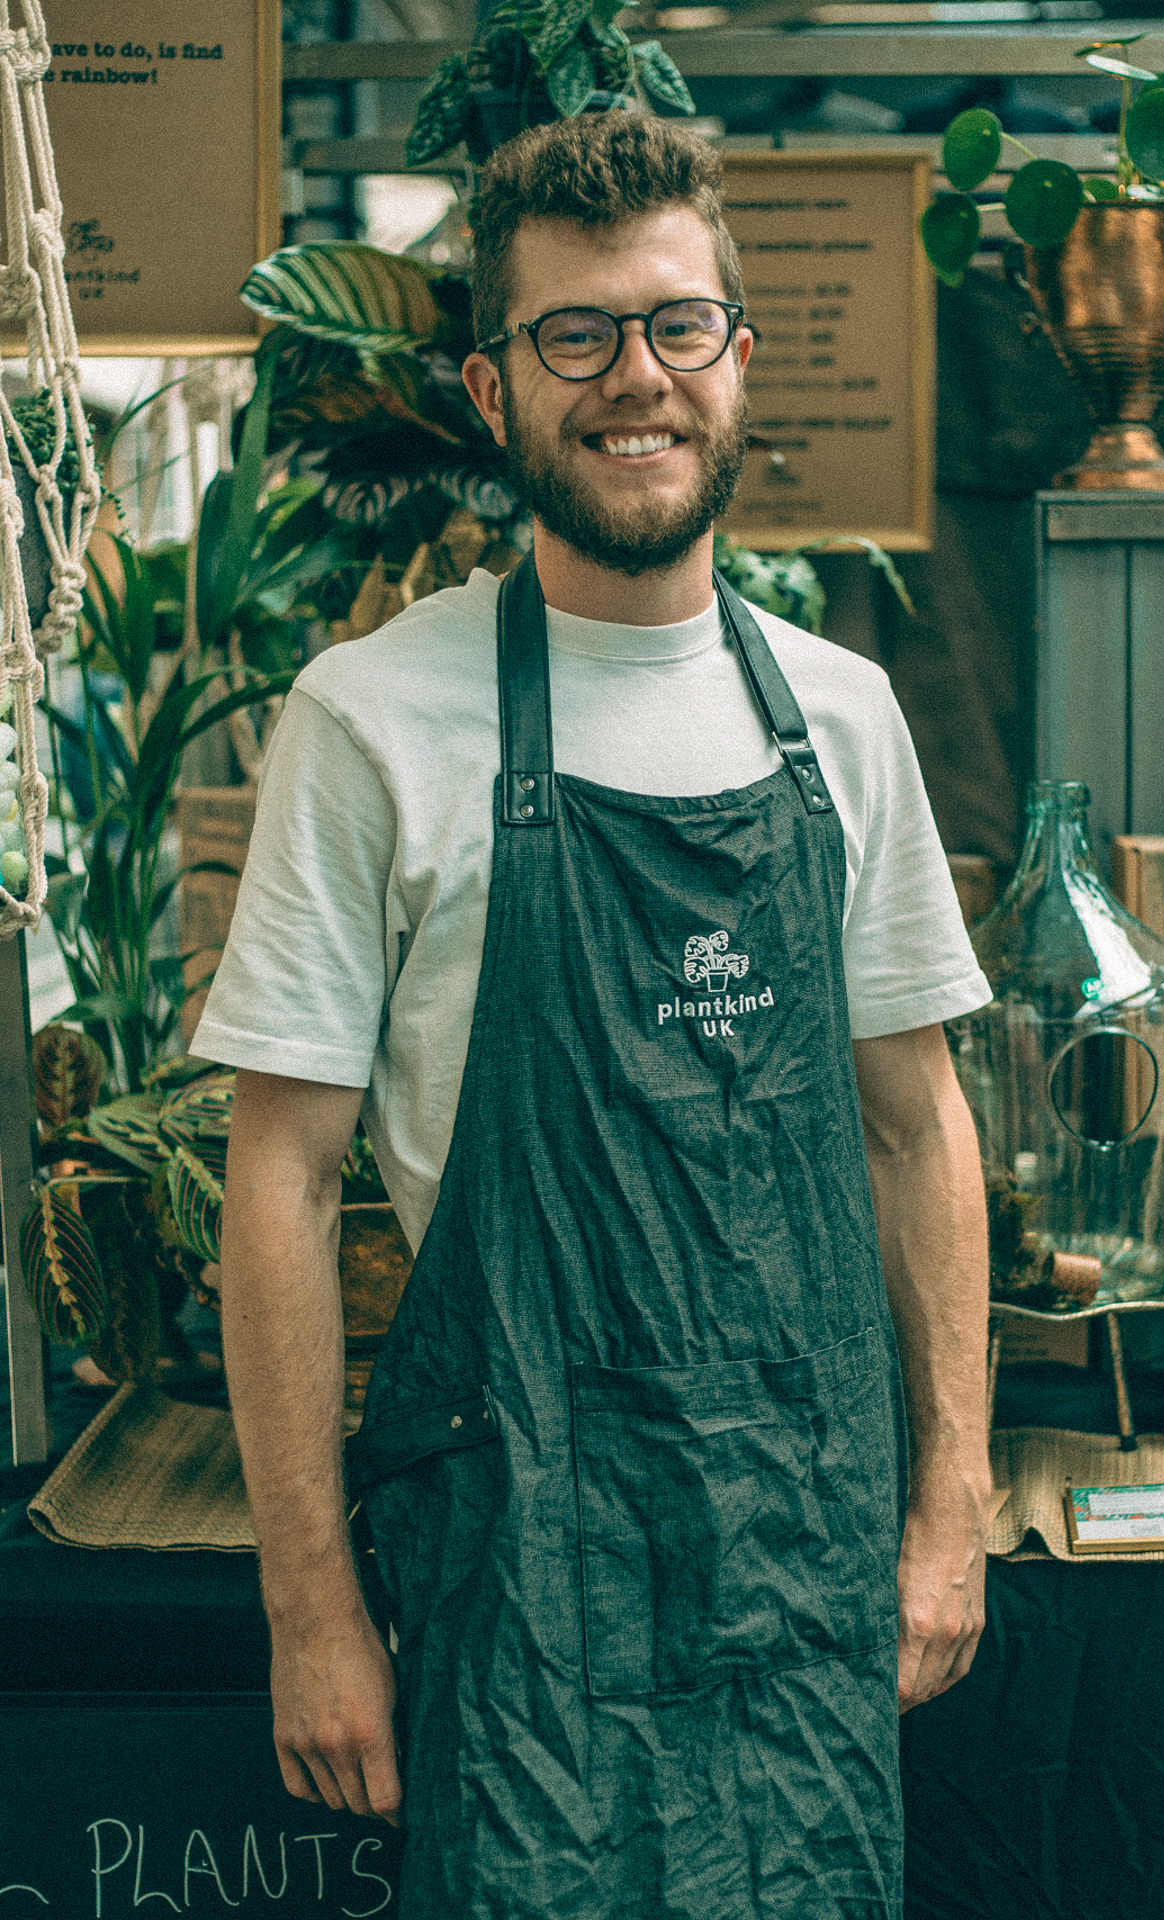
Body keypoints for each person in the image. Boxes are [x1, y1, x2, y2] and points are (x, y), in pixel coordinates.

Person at [202, 111, 993, 1920]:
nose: (634, 378)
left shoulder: (845, 718)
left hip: (802, 1584)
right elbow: (284, 1180)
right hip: (519, 1591)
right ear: (494, 389)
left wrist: (946, 1509)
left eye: (674, 325)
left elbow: (914, 1122)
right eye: (576, 336)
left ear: (736, 359)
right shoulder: (372, 718)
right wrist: (311, 1609)